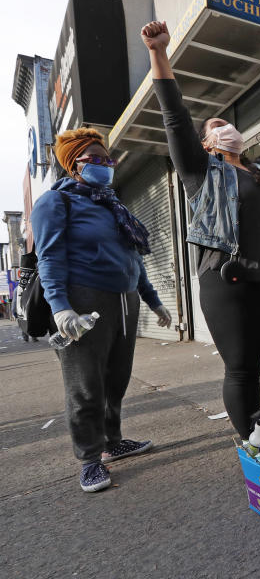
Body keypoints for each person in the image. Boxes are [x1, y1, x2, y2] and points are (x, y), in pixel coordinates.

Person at [140, 20, 260, 440]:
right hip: (231, 283)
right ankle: (255, 441)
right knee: (245, 368)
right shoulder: (198, 171)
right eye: (215, 126)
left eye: (227, 122)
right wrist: (158, 52)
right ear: (206, 144)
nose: (225, 126)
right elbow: (174, 114)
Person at [32, 128, 172, 493]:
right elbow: (49, 258)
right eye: (94, 159)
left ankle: (113, 441)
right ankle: (90, 458)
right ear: (72, 164)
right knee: (86, 385)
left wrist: (153, 300)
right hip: (83, 300)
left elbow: (133, 259)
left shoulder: (111, 204)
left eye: (107, 159)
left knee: (116, 379)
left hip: (126, 300)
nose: (105, 165)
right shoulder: (54, 203)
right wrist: (60, 308)